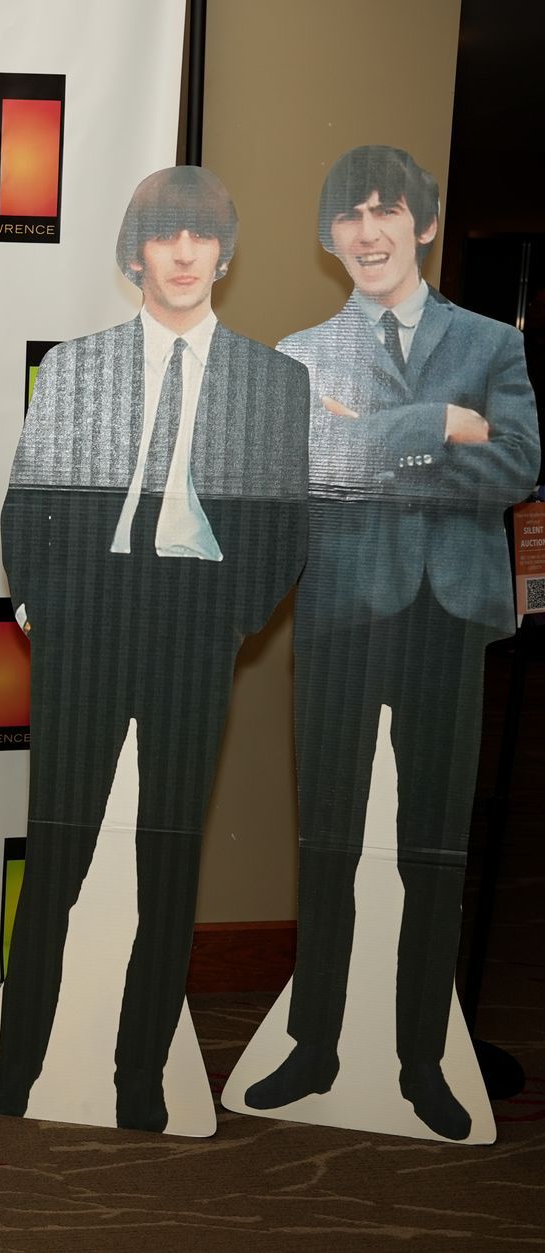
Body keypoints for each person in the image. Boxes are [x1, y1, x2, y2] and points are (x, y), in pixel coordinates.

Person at [0, 167, 309, 1132]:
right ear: (136, 254)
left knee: (169, 859)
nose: (183, 254)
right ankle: (18, 1063)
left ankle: (139, 1075)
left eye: (201, 236)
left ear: (224, 252)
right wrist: (43, 609)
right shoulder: (78, 368)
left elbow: (286, 529)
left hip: (193, 630)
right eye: (164, 236)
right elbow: (24, 502)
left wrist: (230, 620)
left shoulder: (270, 381)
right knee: (59, 854)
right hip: (85, 623)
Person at [244, 146, 539, 1139]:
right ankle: (317, 1043)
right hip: (338, 615)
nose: (368, 231)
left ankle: (422, 1057)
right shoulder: (298, 352)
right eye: (349, 216)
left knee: (431, 846)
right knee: (328, 838)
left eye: (387, 211)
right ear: (331, 237)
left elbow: (513, 467)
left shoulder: (492, 343)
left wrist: (375, 436)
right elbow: (305, 467)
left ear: (423, 221)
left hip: (448, 619)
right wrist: (433, 424)